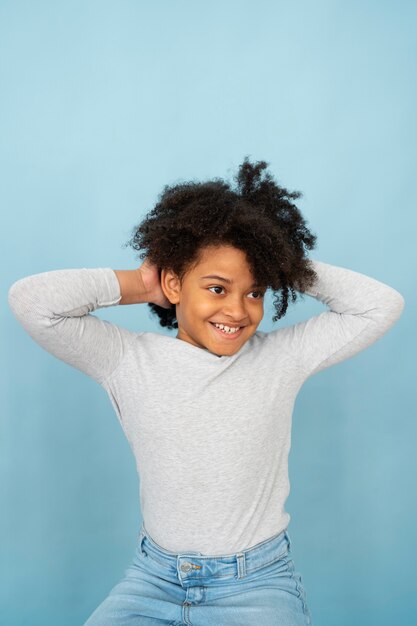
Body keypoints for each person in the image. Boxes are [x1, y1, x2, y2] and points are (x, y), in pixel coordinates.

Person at [8, 158, 405, 626]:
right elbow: (33, 302)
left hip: (255, 584)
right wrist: (141, 283)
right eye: (217, 288)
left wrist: (286, 261)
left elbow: (380, 306)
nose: (238, 309)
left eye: (254, 292)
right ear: (175, 284)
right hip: (153, 578)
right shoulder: (126, 359)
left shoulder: (280, 358)